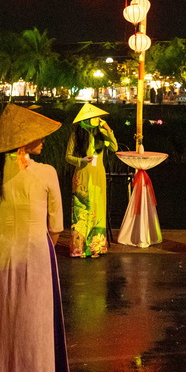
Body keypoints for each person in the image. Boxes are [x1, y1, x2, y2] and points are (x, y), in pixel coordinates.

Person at [0, 103, 73, 372]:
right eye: (38, 135)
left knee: (5, 334)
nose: (44, 140)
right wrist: (41, 242)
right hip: (36, 254)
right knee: (37, 335)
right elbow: (57, 225)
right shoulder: (45, 172)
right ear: (22, 140)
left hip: (4, 254)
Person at [66, 102, 118, 258]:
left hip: (98, 176)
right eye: (94, 117)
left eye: (98, 117)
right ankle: (79, 247)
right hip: (82, 175)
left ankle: (96, 246)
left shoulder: (101, 135)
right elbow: (68, 157)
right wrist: (81, 160)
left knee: (98, 209)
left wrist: (108, 129)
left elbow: (114, 147)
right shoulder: (76, 136)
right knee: (82, 210)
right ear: (86, 119)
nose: (97, 120)